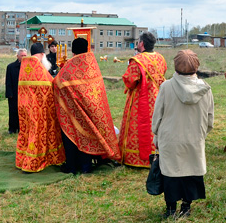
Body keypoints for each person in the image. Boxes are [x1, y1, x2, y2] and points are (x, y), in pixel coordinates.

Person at [152, 50, 214, 219]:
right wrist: (199, 135)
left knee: (171, 174)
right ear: (197, 66)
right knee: (191, 172)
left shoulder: (166, 86)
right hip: (194, 139)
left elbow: (157, 115)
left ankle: (171, 209)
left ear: (176, 66)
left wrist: (156, 135)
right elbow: (210, 120)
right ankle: (186, 207)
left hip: (170, 139)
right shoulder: (205, 89)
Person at [54, 38, 121, 174]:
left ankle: (72, 167)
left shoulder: (70, 67)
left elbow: (57, 83)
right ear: (87, 48)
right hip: (91, 109)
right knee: (88, 136)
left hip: (72, 111)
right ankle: (86, 167)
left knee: (72, 137)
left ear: (72, 51)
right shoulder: (92, 64)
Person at [118, 31, 167, 167]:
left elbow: (130, 81)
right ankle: (157, 154)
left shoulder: (137, 60)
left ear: (142, 44)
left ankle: (136, 158)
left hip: (141, 99)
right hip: (157, 97)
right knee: (157, 125)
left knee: (138, 127)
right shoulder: (160, 58)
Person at [16, 42, 65, 172]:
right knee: (38, 134)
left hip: (25, 108)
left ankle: (23, 158)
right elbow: (51, 84)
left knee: (27, 132)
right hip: (39, 110)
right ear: (43, 54)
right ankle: (34, 161)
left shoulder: (24, 66)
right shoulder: (38, 67)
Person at [5, 48, 27, 134]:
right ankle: (12, 128)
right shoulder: (11, 67)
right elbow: (8, 81)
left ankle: (22, 128)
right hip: (14, 93)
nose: (24, 57)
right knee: (13, 111)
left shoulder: (29, 67)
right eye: (22, 55)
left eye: (25, 55)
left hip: (25, 93)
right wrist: (9, 93)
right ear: (17, 56)